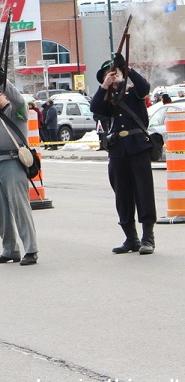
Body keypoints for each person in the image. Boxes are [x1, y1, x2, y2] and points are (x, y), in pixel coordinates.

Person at [90, 54, 156, 255]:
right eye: (107, 75)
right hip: (118, 151)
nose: (112, 76)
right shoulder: (107, 98)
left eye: (114, 72)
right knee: (122, 195)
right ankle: (131, 238)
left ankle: (147, 238)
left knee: (144, 192)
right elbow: (95, 109)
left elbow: (145, 87)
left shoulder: (134, 92)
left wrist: (127, 68)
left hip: (137, 148)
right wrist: (104, 86)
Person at [0, 71, 39, 266]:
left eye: (0, 94)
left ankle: (31, 249)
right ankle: (9, 248)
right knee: (0, 210)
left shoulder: (16, 111)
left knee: (19, 207)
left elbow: (19, 101)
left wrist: (4, 83)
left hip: (12, 162)